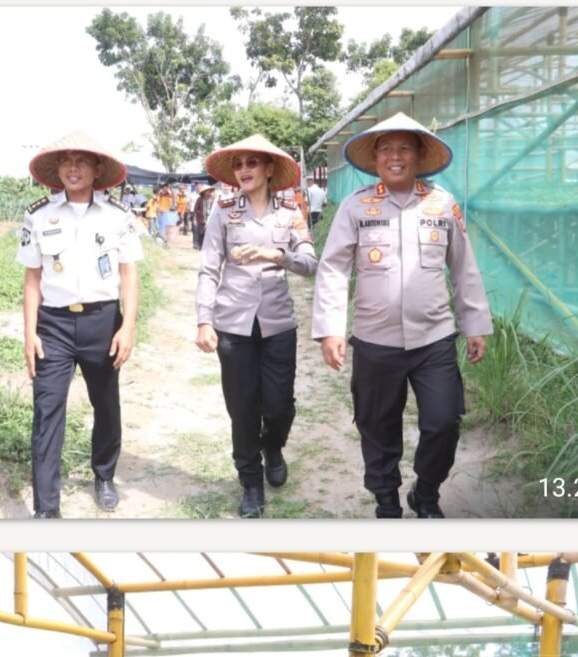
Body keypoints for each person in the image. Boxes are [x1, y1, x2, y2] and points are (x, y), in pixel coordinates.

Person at [312, 111, 493, 519]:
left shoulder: (442, 204)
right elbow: (334, 269)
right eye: (387, 149)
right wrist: (329, 329)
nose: (396, 157)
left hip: (435, 339)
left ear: (419, 156)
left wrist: (475, 324)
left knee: (444, 422)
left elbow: (463, 266)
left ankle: (425, 493)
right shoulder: (357, 207)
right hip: (375, 341)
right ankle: (387, 501)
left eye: (404, 149)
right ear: (375, 159)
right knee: (377, 427)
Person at [16, 130, 143, 518]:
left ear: (97, 168)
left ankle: (104, 475)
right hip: (53, 325)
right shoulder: (39, 215)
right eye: (66, 161)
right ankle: (46, 508)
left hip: (103, 323)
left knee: (105, 404)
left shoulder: (118, 216)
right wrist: (29, 335)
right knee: (47, 410)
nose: (73, 168)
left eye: (82, 160)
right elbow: (32, 280)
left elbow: (128, 274)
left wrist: (128, 327)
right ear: (57, 169)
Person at [196, 133, 317, 518]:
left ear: (269, 169)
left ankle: (274, 445)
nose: (244, 170)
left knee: (279, 406)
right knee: (242, 407)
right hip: (233, 324)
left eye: (252, 163)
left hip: (278, 324)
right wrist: (204, 319)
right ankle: (250, 481)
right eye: (239, 164)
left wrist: (275, 255)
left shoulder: (290, 213)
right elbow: (208, 266)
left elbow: (310, 264)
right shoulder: (223, 209)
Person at [192, 184, 215, 250]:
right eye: (207, 191)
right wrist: (194, 219)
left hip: (210, 219)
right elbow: (195, 209)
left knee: (208, 234)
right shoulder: (199, 199)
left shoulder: (213, 199)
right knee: (200, 233)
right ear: (204, 192)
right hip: (201, 219)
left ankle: (206, 247)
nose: (208, 192)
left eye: (209, 191)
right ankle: (199, 246)